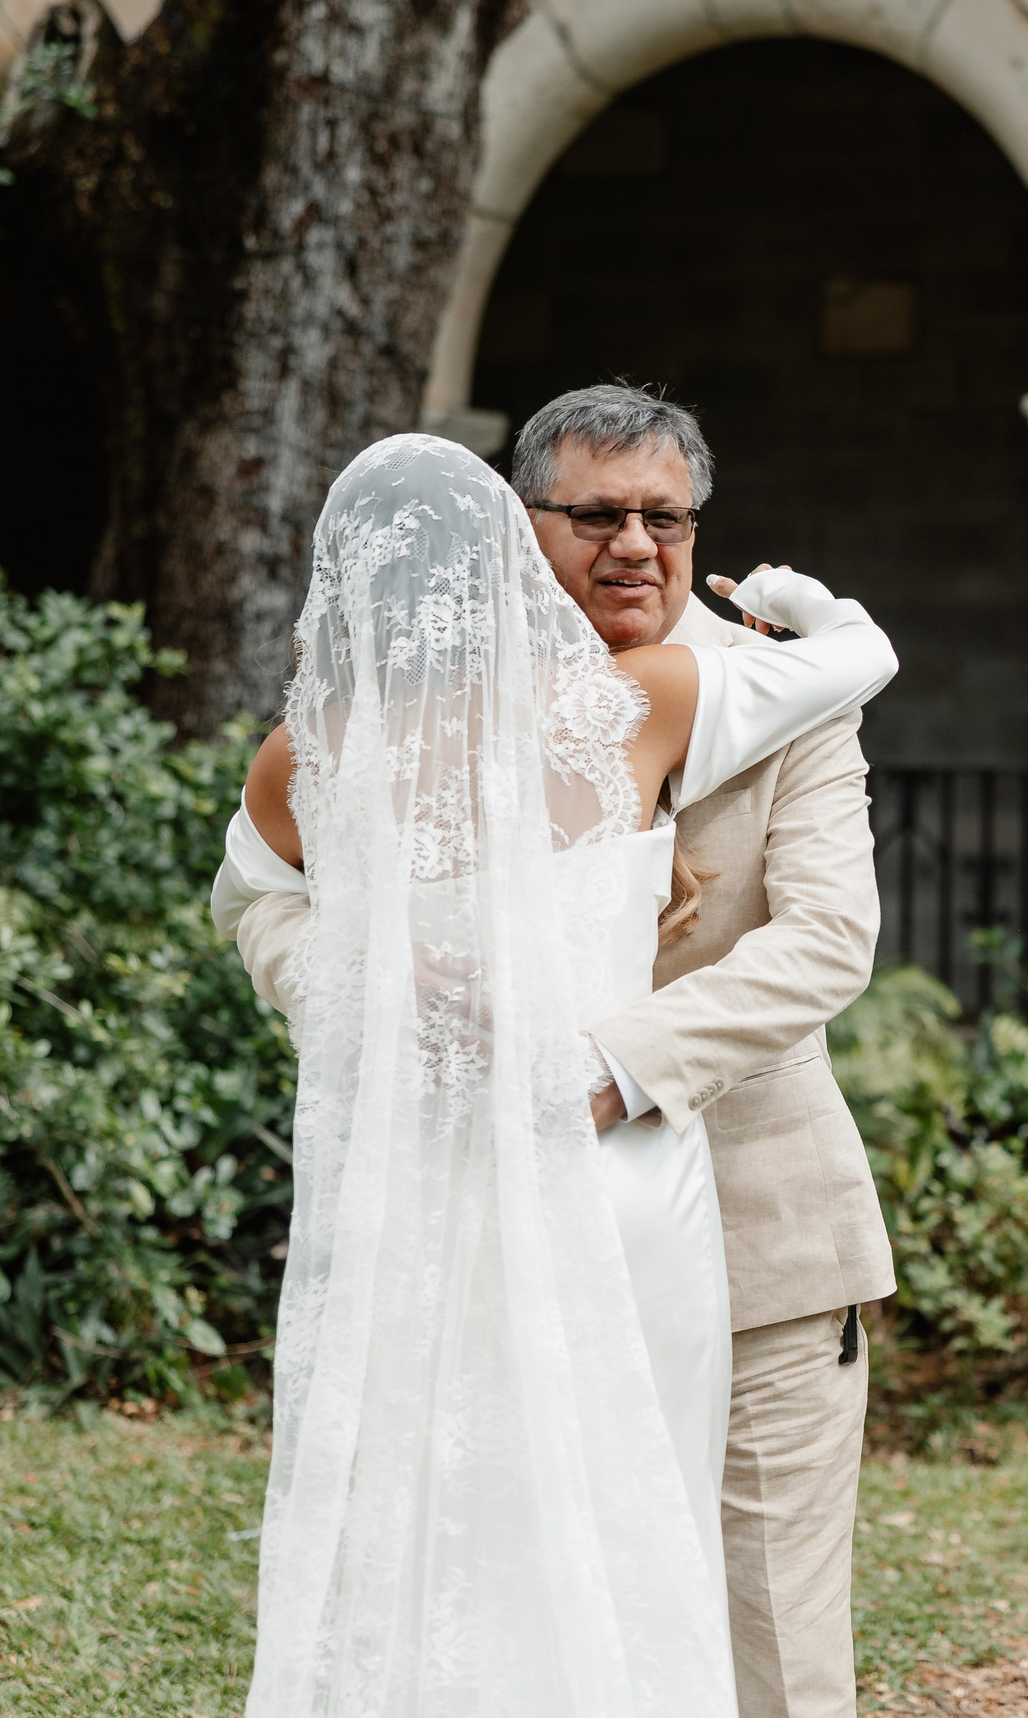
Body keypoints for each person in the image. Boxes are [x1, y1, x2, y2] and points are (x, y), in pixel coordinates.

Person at [209, 431, 895, 1717]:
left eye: (666, 515)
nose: (633, 542)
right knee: (496, 1562)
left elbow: (826, 941)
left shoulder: (768, 688)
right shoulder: (599, 713)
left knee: (769, 1635)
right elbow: (257, 904)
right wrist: (382, 981)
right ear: (515, 529)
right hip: (478, 1215)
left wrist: (609, 1067)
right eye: (593, 514)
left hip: (741, 1221)